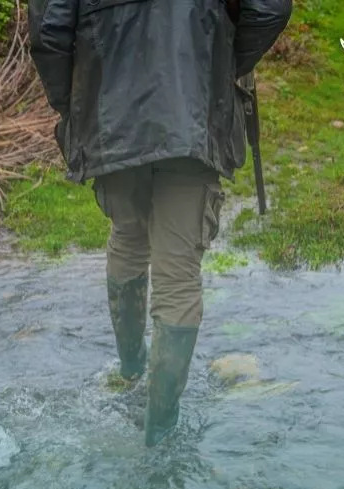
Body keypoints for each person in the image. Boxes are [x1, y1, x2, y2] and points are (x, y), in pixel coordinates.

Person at [28, 0, 292, 446]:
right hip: (192, 114)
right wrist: (216, 65)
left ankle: (131, 371)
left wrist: (77, 99)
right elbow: (269, 8)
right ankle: (161, 434)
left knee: (128, 237)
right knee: (178, 273)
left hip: (109, 111)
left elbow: (49, 30)